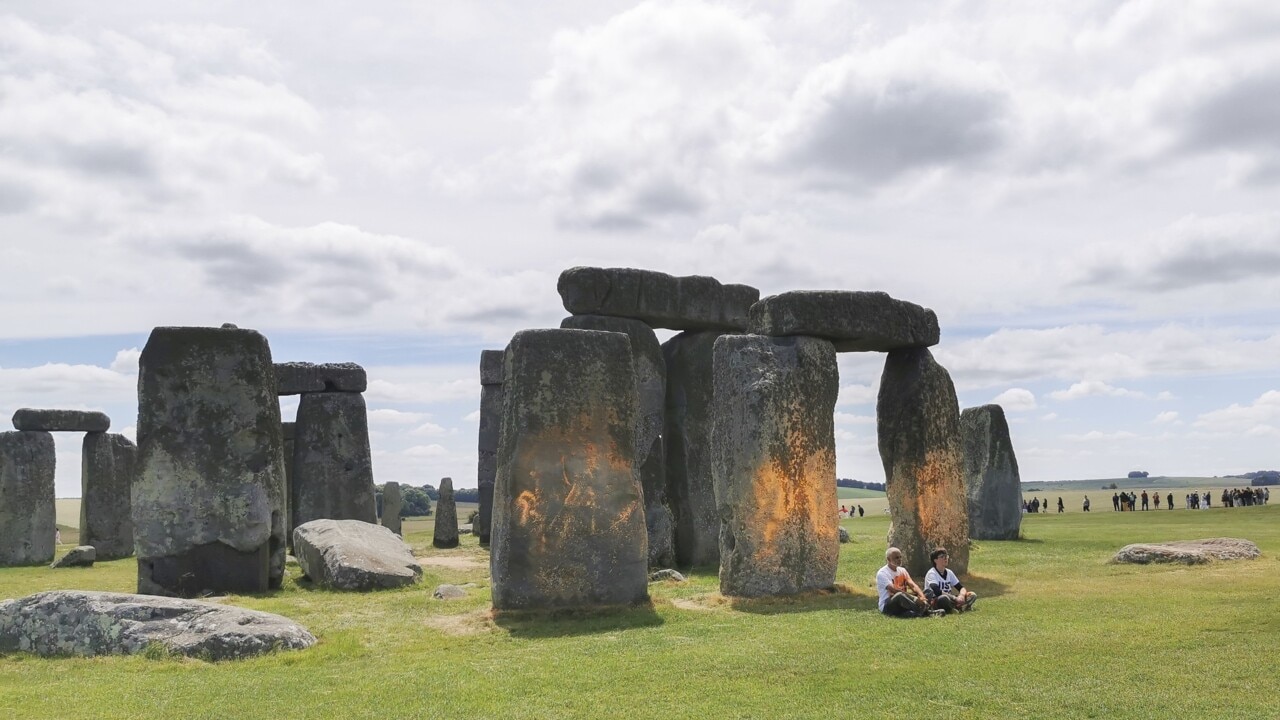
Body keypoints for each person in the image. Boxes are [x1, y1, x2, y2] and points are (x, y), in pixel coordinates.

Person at [876, 547, 934, 617]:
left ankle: (921, 609)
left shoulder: (902, 570)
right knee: (899, 595)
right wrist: (915, 599)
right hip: (889, 604)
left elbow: (913, 585)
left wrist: (922, 597)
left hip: (905, 600)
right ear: (888, 559)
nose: (899, 559)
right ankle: (925, 611)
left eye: (900, 557)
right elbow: (894, 590)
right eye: (896, 558)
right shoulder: (882, 573)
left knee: (928, 591)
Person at [924, 548, 976, 614]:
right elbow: (937, 592)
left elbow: (961, 588)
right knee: (944, 598)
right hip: (937, 601)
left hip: (951, 599)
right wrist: (955, 598)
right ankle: (958, 608)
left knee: (972, 595)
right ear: (935, 560)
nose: (945, 558)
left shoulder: (949, 572)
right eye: (942, 557)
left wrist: (961, 596)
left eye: (946, 556)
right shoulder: (932, 573)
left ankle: (955, 608)